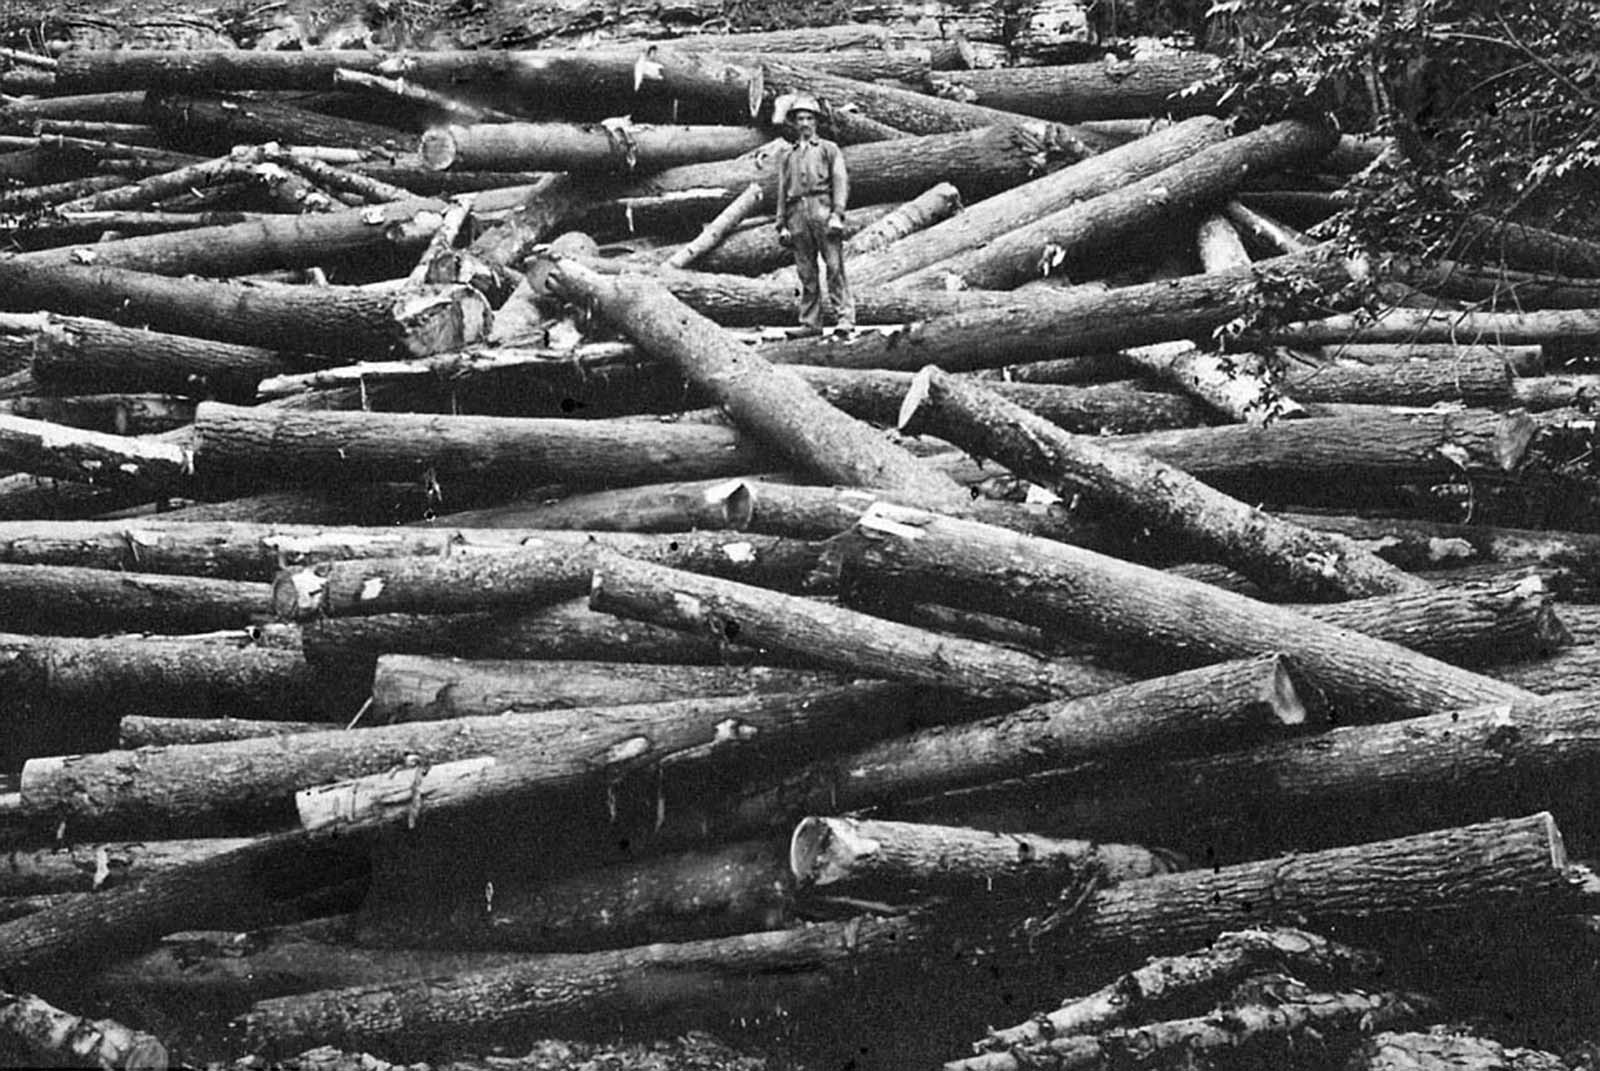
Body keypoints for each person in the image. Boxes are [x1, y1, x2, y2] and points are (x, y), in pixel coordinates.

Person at [774, 94, 854, 338]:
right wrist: (781, 223)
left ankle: (845, 318)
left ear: (816, 122)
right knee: (806, 272)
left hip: (823, 209)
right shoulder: (789, 155)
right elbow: (782, 189)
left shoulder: (829, 149)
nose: (805, 123)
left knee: (834, 266)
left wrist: (837, 214)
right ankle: (810, 323)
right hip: (797, 213)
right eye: (800, 119)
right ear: (794, 123)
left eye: (809, 118)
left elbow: (841, 181)